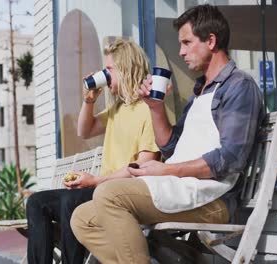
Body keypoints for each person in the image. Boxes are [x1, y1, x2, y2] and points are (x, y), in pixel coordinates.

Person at [71, 4, 265, 264]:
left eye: (186, 43)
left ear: (210, 41)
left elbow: (230, 158)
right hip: (181, 187)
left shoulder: (238, 87)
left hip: (212, 198)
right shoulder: (200, 91)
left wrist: (166, 171)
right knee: (82, 218)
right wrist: (156, 107)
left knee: (109, 195)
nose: (181, 52)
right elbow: (171, 147)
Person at [26, 39, 160, 264]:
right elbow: (84, 131)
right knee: (36, 202)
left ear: (126, 68)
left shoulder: (149, 109)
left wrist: (96, 180)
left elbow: (143, 167)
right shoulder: (119, 108)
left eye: (109, 69)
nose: (105, 75)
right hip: (102, 186)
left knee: (72, 201)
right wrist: (88, 102)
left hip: (122, 191)